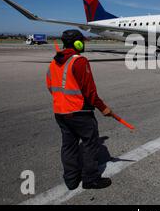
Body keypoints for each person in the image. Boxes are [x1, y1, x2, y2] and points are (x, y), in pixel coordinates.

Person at [46, 29, 113, 190]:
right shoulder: (80, 61)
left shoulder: (54, 62)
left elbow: (50, 86)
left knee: (68, 146)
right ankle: (90, 179)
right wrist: (103, 108)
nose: (83, 44)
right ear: (77, 43)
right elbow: (90, 92)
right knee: (90, 144)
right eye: (82, 41)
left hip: (60, 112)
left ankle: (71, 179)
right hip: (79, 112)